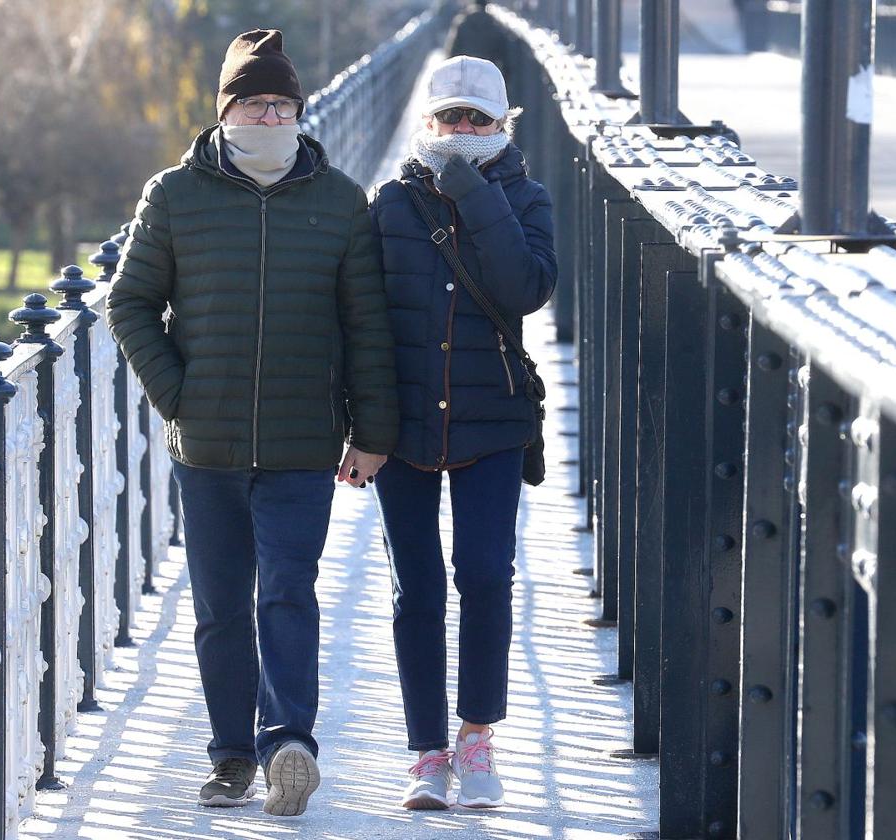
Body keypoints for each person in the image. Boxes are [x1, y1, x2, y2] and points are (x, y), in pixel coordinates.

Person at [107, 29, 397, 817]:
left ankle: (288, 745)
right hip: (206, 446)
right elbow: (130, 302)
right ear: (226, 110)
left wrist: (372, 433)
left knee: (289, 592)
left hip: (305, 443)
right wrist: (180, 395)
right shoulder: (172, 195)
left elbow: (366, 325)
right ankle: (230, 756)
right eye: (255, 103)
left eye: (283, 105)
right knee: (221, 609)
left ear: (300, 113)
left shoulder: (339, 200)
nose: (270, 117)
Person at [368, 55, 557, 810]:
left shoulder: (527, 197)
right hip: (403, 425)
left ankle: (477, 738)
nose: (461, 130)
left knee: (483, 573)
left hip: (494, 419)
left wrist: (472, 191)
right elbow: (362, 322)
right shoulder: (388, 204)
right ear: (427, 121)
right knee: (414, 587)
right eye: (449, 117)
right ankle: (427, 752)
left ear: (503, 125)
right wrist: (363, 425)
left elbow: (525, 289)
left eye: (478, 118)